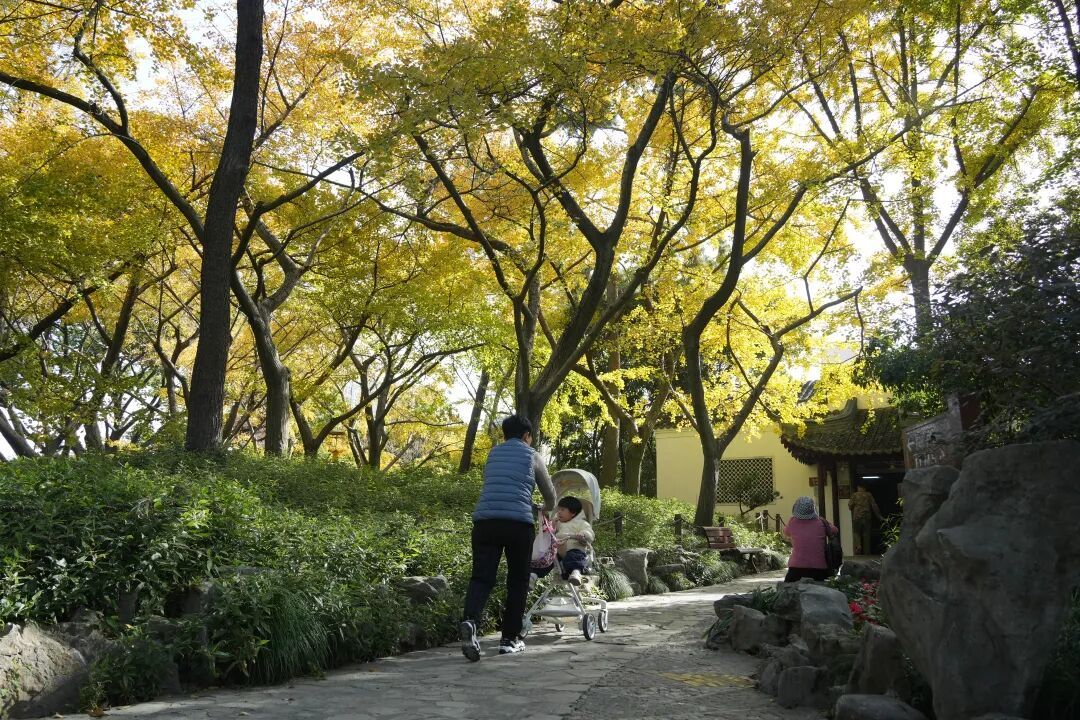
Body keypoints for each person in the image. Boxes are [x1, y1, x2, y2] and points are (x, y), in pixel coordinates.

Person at [459, 414, 555, 661]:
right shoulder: (532, 455)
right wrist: (544, 507)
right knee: (518, 581)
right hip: (517, 524)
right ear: (527, 435)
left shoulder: (493, 454)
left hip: (485, 523)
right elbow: (550, 495)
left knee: (481, 577)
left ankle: (470, 621)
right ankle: (509, 639)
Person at [531, 495, 594, 587]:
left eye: (562, 510)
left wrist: (583, 534)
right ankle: (533, 575)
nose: (559, 512)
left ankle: (576, 572)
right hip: (558, 551)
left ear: (573, 513)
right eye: (558, 509)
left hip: (574, 547)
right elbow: (550, 532)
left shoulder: (581, 523)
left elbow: (589, 532)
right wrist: (552, 524)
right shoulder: (558, 523)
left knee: (575, 556)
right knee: (547, 559)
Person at [783, 496, 839, 582]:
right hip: (819, 568)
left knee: (787, 587)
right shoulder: (821, 522)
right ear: (813, 509)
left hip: (796, 568)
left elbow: (786, 532)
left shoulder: (792, 522)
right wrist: (826, 523)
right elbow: (835, 530)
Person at [849, 483, 882, 555]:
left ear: (858, 487)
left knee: (856, 532)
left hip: (857, 517)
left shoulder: (854, 495)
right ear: (865, 488)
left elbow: (850, 506)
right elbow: (874, 505)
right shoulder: (869, 495)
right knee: (866, 535)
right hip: (867, 517)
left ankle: (858, 545)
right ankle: (867, 553)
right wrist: (879, 516)